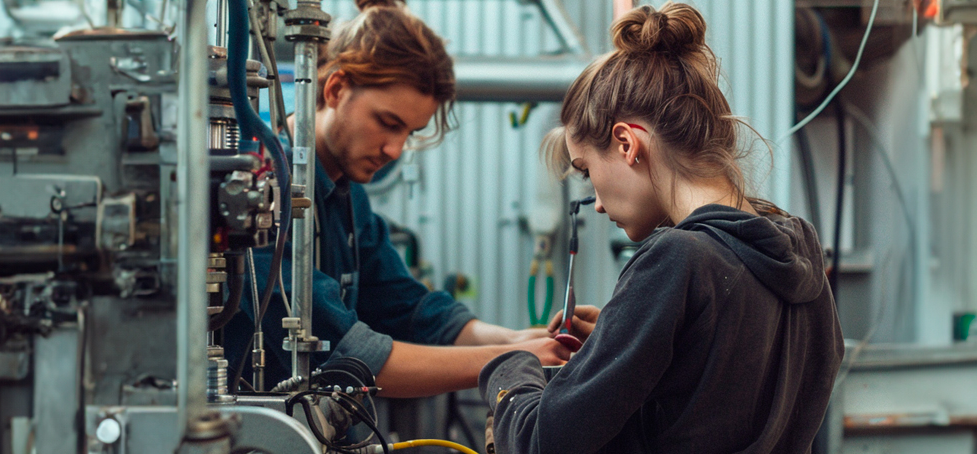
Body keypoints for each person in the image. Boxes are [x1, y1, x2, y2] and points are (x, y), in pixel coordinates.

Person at [478, 3, 844, 453]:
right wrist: (623, 339)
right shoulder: (800, 250)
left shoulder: (676, 260)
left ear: (627, 144)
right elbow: (714, 397)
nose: (594, 203)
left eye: (586, 170)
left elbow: (545, 442)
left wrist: (508, 372)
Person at [223, 0, 572, 399]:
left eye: (409, 132)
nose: (395, 150)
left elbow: (407, 309)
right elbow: (352, 359)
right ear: (336, 89)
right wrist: (513, 356)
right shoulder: (262, 189)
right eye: (388, 124)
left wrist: (513, 337)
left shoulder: (348, 197)